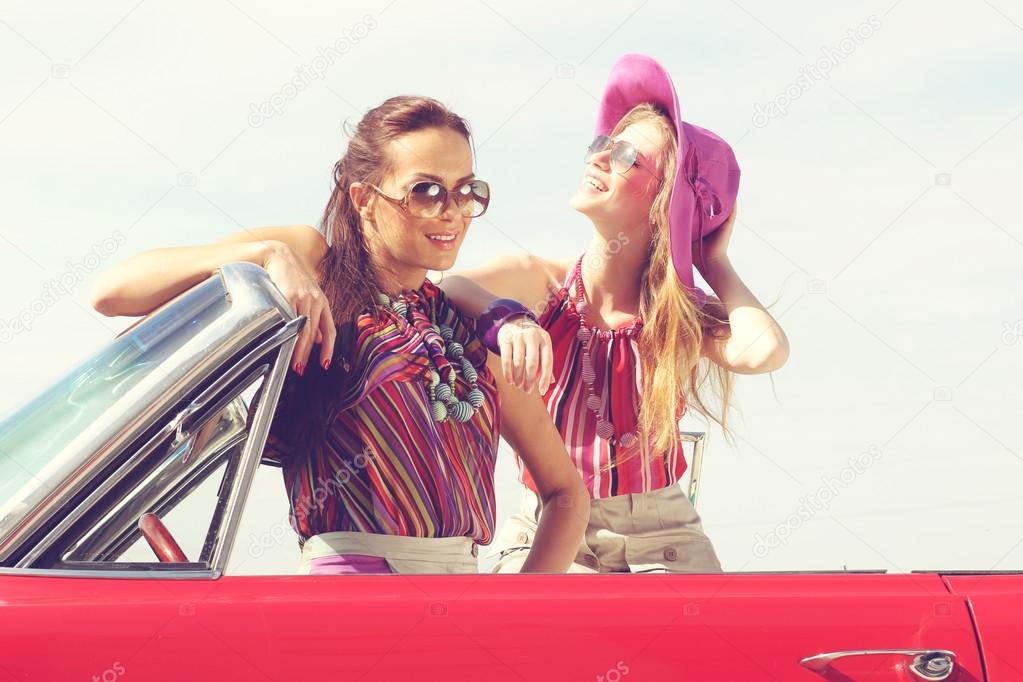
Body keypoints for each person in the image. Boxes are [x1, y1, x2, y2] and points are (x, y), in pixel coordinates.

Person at [91, 95, 588, 574]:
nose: (452, 211)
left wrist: (514, 612)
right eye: (426, 191)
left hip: (463, 600)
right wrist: (266, 254)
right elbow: (112, 292)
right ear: (364, 199)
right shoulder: (315, 268)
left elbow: (565, 493)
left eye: (467, 191)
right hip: (347, 597)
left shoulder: (463, 331)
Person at [438, 54, 790, 573]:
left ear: (666, 202)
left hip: (665, 534)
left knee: (699, 648)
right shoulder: (543, 283)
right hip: (547, 525)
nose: (599, 157)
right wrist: (506, 318)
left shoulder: (676, 316)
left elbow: (765, 351)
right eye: (602, 145)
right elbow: (449, 287)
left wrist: (711, 259)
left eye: (626, 156)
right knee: (530, 644)